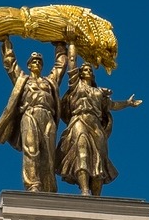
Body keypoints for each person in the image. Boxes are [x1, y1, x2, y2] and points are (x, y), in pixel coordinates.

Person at [0, 35, 68, 193]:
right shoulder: (23, 80)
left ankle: (48, 186)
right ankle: (33, 184)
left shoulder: (49, 81)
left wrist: (60, 45)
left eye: (39, 61)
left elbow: (60, 67)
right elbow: (10, 65)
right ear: (29, 65)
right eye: (34, 61)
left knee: (49, 154)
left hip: (47, 116)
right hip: (29, 114)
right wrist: (6, 42)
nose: (37, 63)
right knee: (31, 149)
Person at [55, 58, 142, 197]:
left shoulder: (99, 92)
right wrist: (71, 43)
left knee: (98, 161)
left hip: (96, 126)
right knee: (81, 153)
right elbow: (71, 64)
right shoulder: (76, 86)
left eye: (90, 70)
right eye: (85, 70)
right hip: (79, 120)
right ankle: (84, 190)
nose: (88, 71)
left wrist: (128, 103)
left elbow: (112, 106)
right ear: (80, 73)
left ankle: (96, 198)